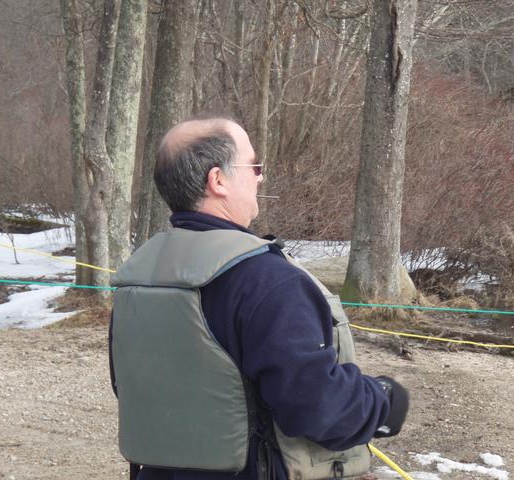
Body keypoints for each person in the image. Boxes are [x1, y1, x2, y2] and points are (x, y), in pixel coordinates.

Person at [109, 116, 409, 480]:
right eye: (253, 165)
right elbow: (318, 408)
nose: (260, 176)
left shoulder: (137, 279)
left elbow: (128, 387)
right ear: (217, 180)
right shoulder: (268, 281)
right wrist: (383, 400)